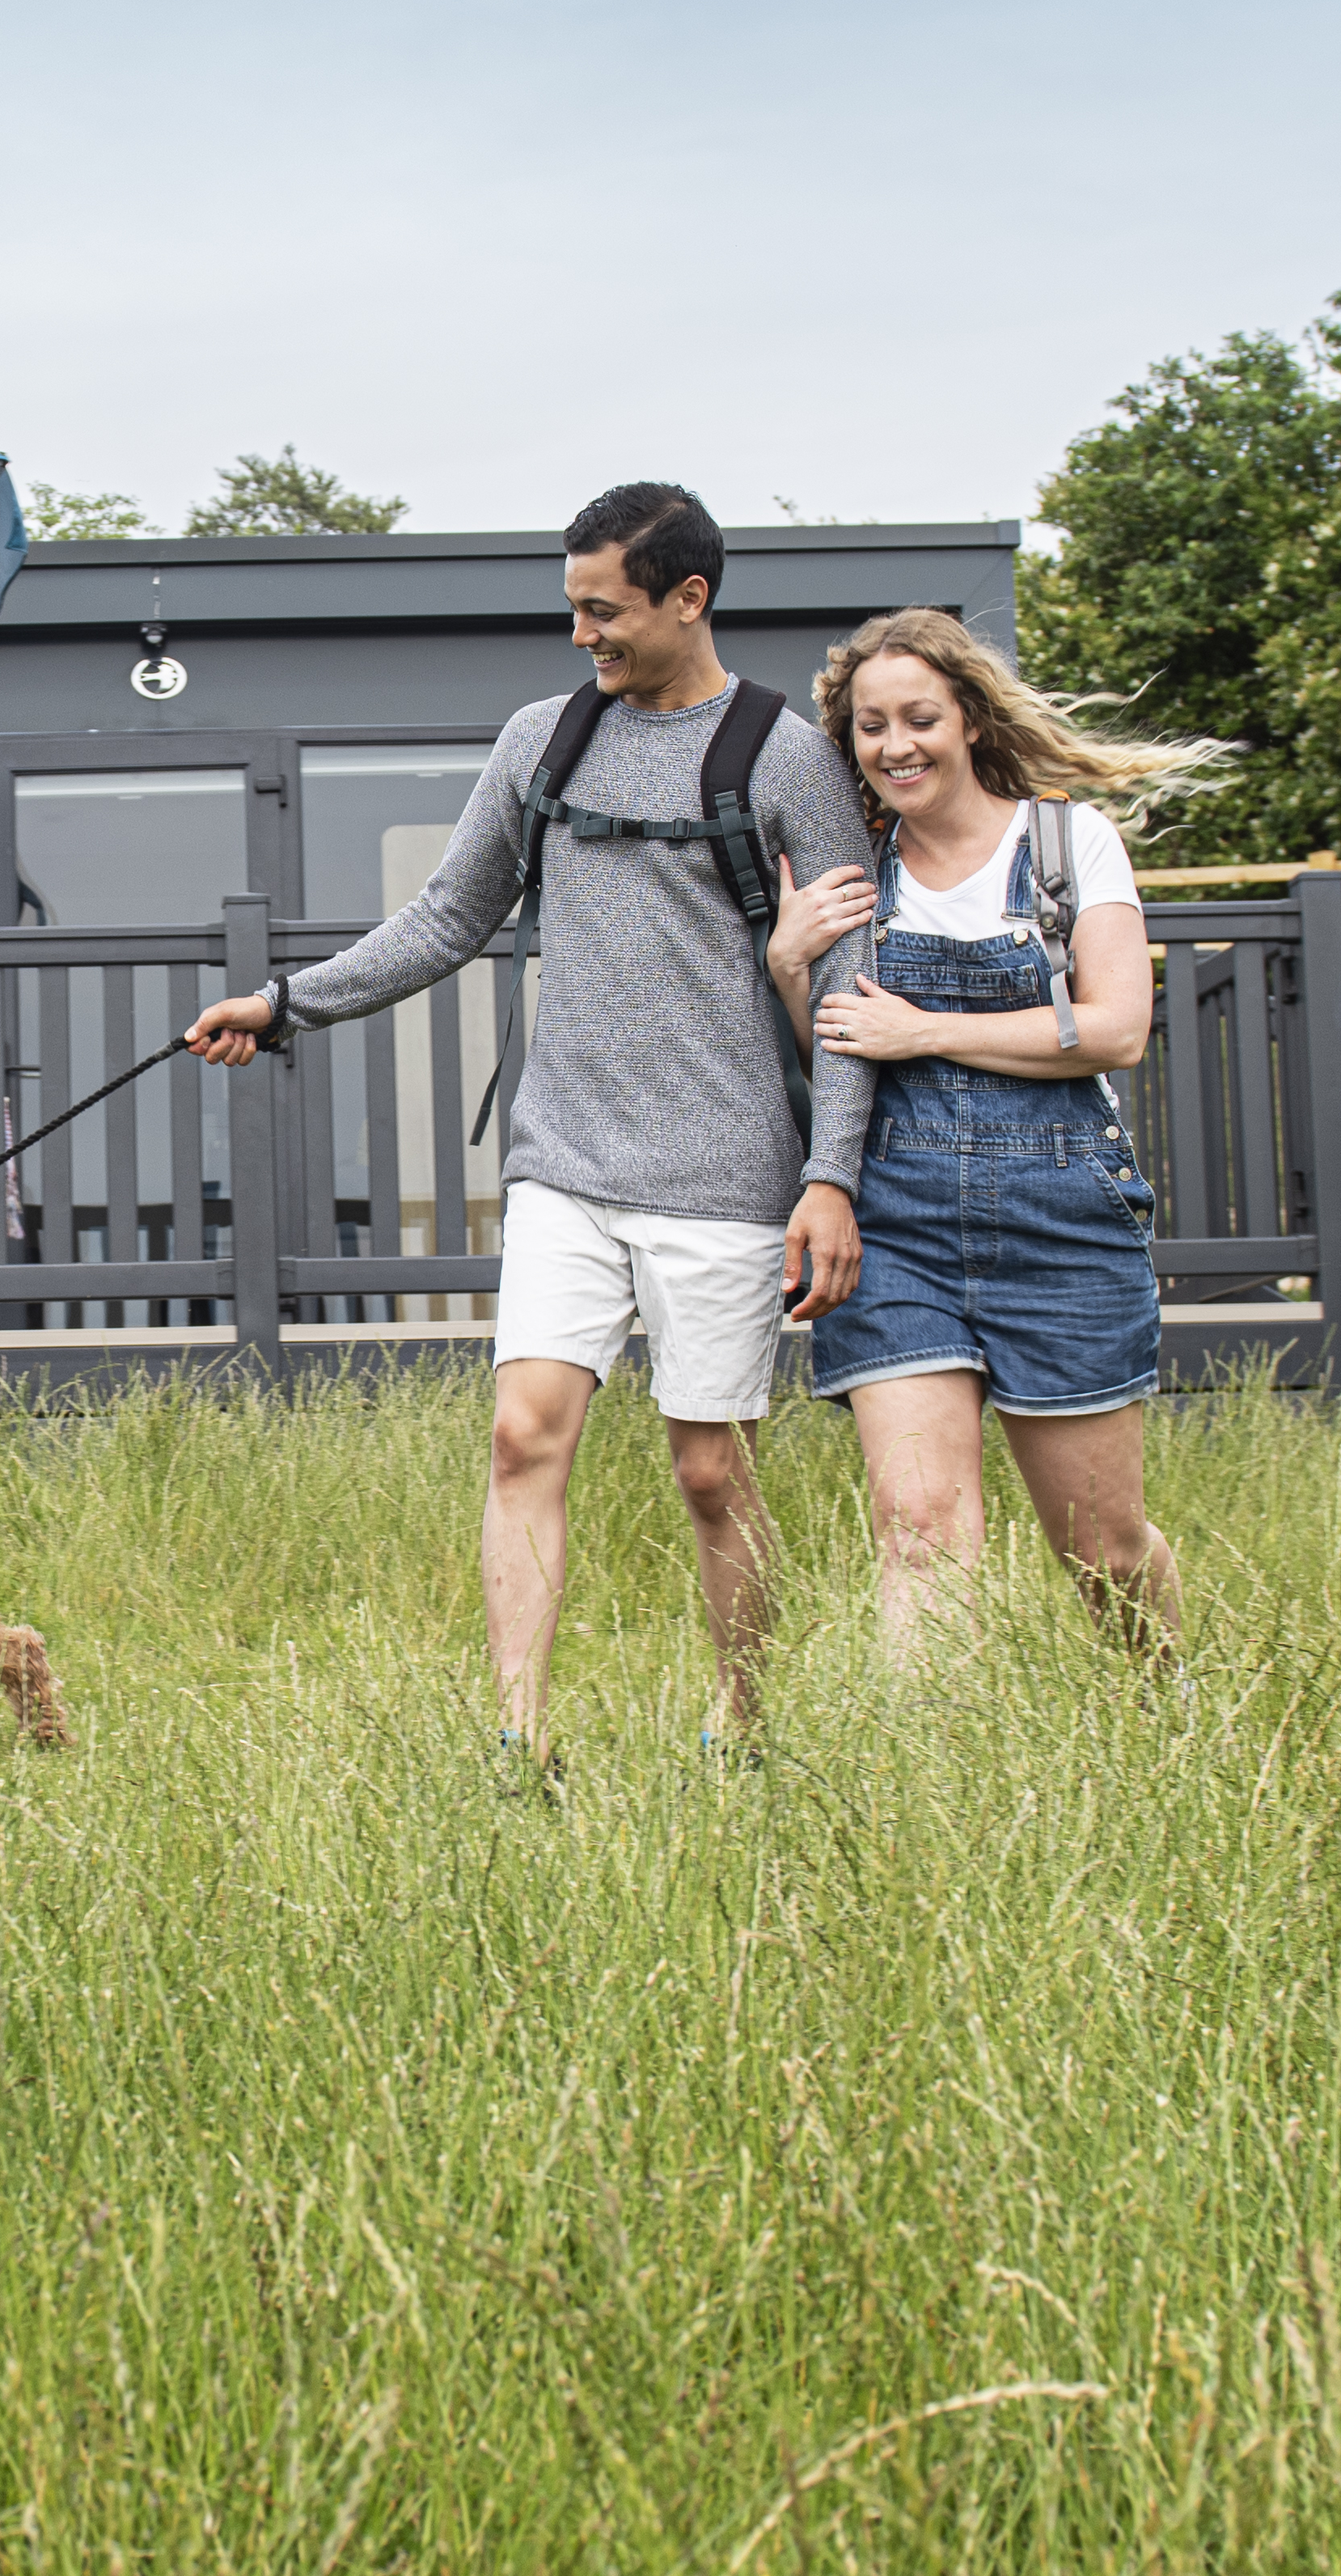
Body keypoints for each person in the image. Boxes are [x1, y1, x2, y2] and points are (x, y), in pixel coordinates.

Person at [182, 484, 874, 1777]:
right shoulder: (539, 743)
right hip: (563, 1161)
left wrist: (829, 1176)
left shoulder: (783, 757)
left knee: (710, 1471)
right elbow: (447, 917)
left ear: (688, 599)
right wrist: (284, 1006)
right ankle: (516, 1737)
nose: (579, 635)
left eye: (603, 610)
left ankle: (742, 1719)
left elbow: (848, 986)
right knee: (520, 1437)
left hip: (725, 1174)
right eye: (572, 608)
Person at [763, 604, 1222, 1663]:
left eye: (918, 718)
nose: (896, 746)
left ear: (968, 717)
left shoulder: (1065, 844)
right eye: (871, 727)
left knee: (1101, 1549)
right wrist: (790, 967)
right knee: (918, 1530)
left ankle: (1172, 1707)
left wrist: (925, 1029)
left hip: (1063, 1223)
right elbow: (838, 1056)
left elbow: (1115, 1028)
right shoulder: (851, 870)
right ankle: (929, 1764)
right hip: (896, 1227)